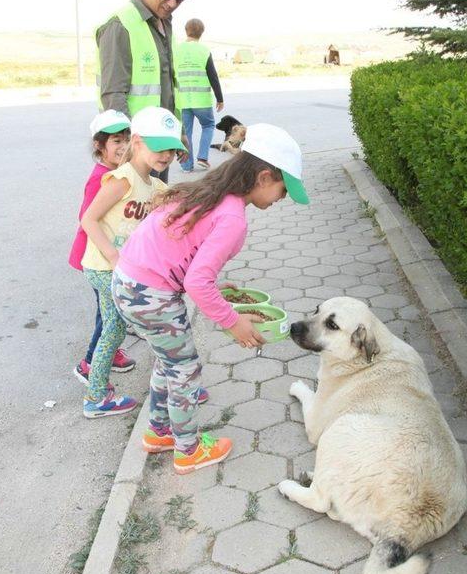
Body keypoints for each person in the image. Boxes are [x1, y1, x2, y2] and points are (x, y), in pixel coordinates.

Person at [111, 123, 310, 473]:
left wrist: (219, 291)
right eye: (283, 188)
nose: (283, 198)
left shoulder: (214, 191)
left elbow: (189, 256)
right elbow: (198, 283)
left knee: (169, 361)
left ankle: (159, 432)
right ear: (264, 177)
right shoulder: (233, 217)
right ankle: (187, 450)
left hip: (131, 282)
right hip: (152, 293)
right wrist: (235, 323)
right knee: (186, 369)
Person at [80, 107, 182, 418]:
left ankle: (175, 379)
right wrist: (114, 257)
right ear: (138, 143)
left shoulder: (155, 187)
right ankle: (95, 397)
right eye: (159, 147)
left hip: (120, 269)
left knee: (123, 324)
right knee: (114, 327)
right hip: (101, 265)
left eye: (173, 150)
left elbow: (177, 203)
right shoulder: (122, 179)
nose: (166, 155)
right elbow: (89, 219)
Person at [95, 0, 191, 184]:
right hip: (137, 152)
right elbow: (113, 96)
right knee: (133, 218)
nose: (173, 3)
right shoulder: (120, 26)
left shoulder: (164, 23)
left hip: (161, 145)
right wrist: (129, 152)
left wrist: (177, 133)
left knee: (154, 216)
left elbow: (166, 89)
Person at [69, 110, 137, 385]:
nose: (123, 147)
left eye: (127, 140)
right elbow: (87, 219)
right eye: (116, 141)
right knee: (107, 315)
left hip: (107, 257)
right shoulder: (101, 177)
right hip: (98, 258)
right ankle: (89, 363)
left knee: (110, 311)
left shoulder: (118, 172)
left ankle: (111, 351)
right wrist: (110, 254)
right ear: (99, 146)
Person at [174, 18, 224, 172]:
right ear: (201, 33)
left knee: (185, 131)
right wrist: (220, 98)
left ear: (186, 30)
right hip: (201, 101)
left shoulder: (176, 50)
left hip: (182, 100)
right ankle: (202, 157)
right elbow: (212, 76)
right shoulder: (204, 51)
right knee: (208, 125)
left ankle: (186, 165)